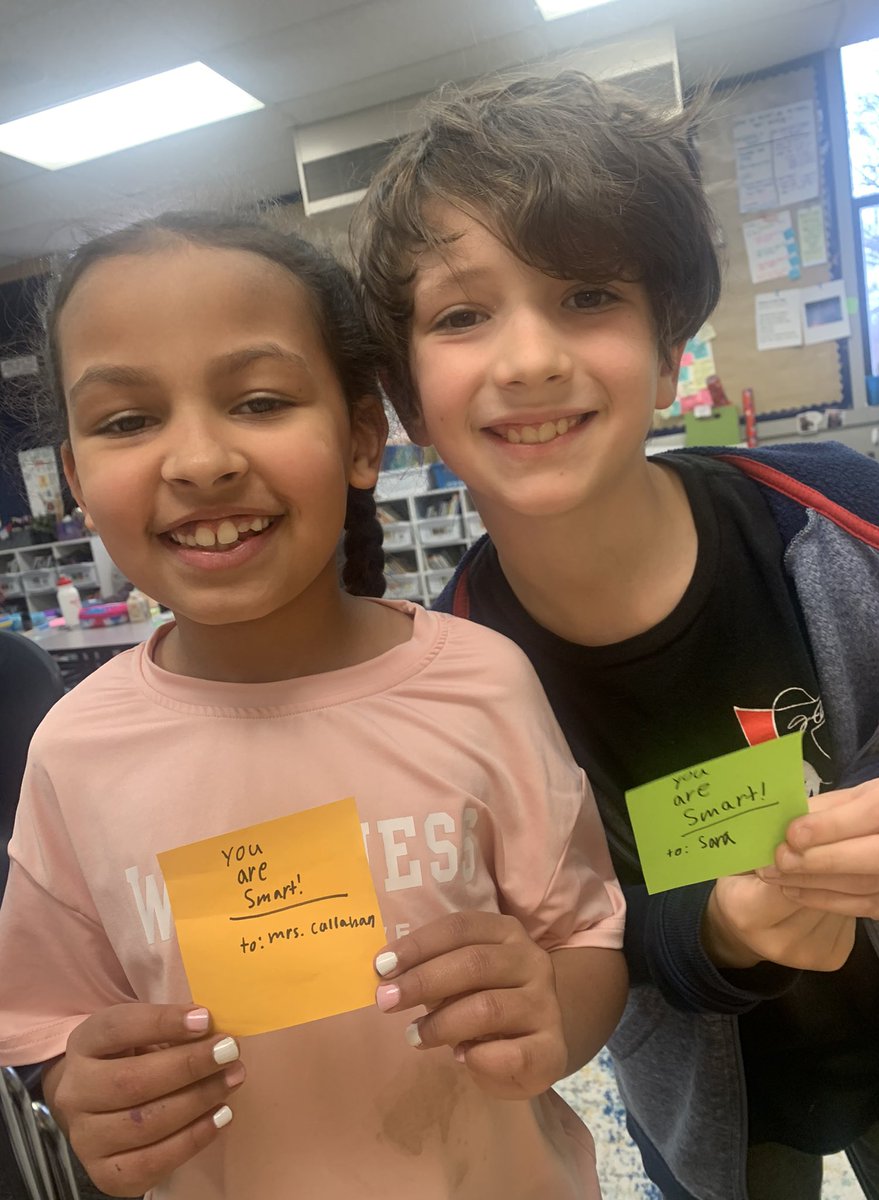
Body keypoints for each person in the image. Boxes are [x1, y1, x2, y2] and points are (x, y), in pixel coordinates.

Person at [0, 211, 627, 1200]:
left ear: (362, 436)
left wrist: (550, 1007)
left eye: (258, 400)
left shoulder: (480, 685)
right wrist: (81, 1087)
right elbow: (48, 1023)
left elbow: (584, 940)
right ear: (75, 479)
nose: (200, 461)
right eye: (127, 421)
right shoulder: (73, 752)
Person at [352, 71, 879, 1200]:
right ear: (408, 400)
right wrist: (720, 929)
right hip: (715, 1119)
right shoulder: (445, 690)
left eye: (589, 294)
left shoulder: (842, 519)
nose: (529, 359)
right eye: (462, 314)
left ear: (668, 353)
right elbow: (571, 942)